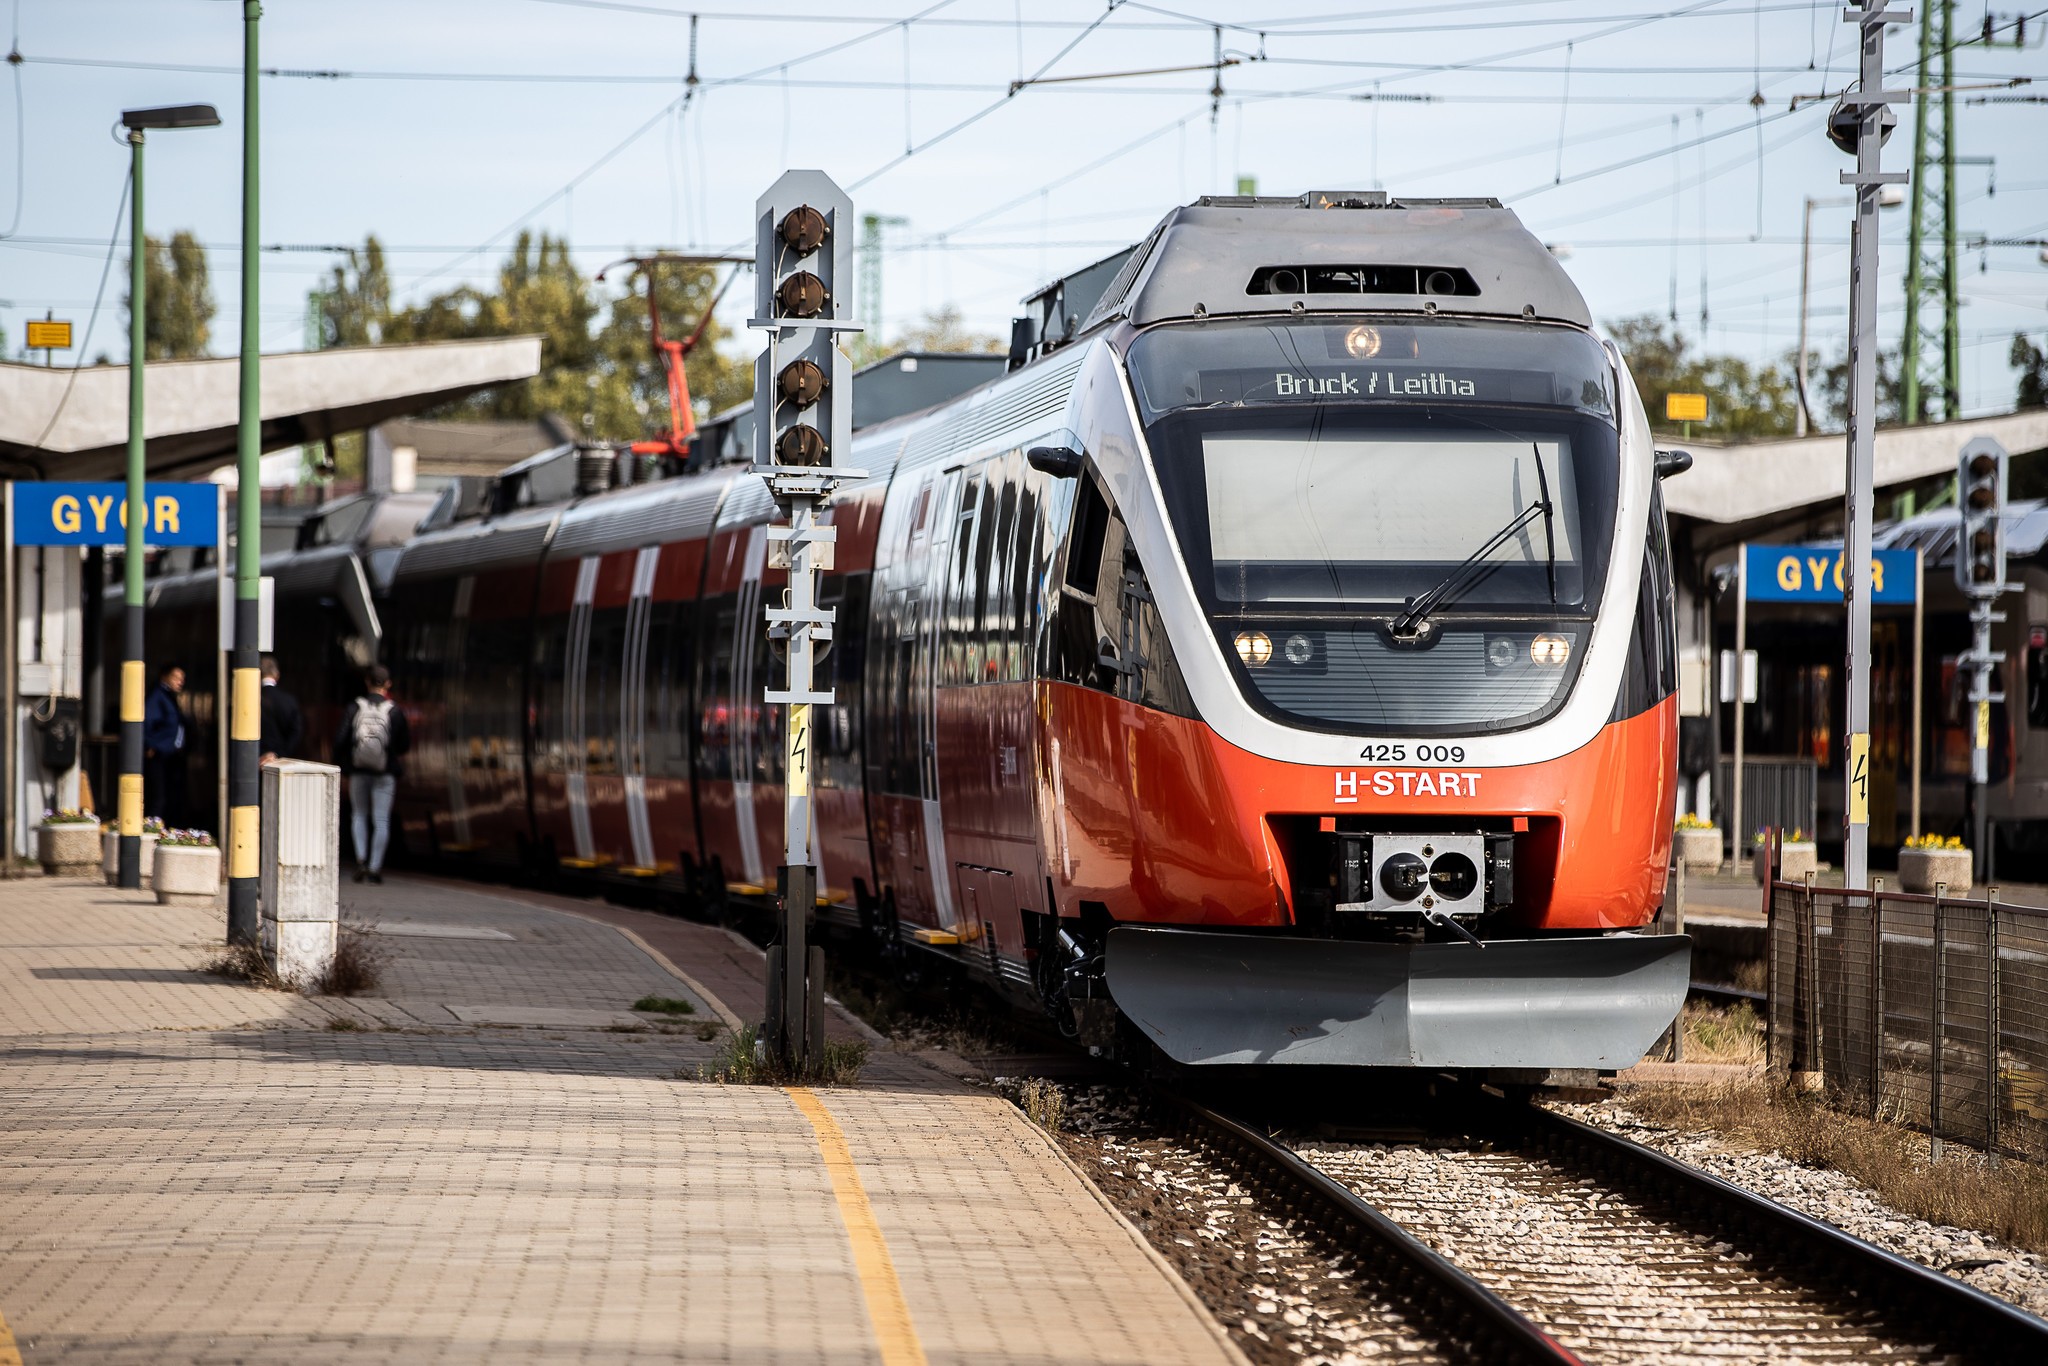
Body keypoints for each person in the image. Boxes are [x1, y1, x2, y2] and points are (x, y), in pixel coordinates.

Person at [335, 665, 410, 884]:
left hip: (358, 771)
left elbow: (341, 739)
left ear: (367, 682)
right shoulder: (394, 711)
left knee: (359, 815)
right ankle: (375, 867)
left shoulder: (355, 708)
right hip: (385, 772)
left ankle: (360, 860)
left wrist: (344, 763)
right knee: (381, 819)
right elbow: (404, 745)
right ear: (388, 684)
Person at [141, 663, 188, 825]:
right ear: (165, 677)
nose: (180, 682)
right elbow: (147, 723)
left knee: (171, 795)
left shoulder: (170, 698)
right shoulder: (158, 697)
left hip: (171, 755)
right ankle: (153, 829)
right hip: (160, 754)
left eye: (182, 678)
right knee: (158, 796)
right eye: (176, 677)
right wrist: (150, 745)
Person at [258, 655, 304, 764]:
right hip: (279, 761)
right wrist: (280, 754)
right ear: (277, 675)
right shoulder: (289, 701)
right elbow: (296, 731)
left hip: (255, 761)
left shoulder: (249, 700)